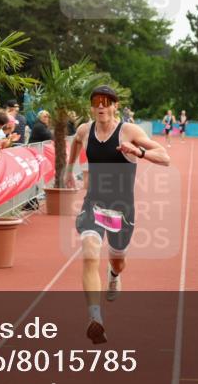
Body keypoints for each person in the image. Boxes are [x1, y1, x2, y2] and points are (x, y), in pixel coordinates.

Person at [65, 85, 170, 344]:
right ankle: (95, 318)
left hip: (122, 210)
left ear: (115, 106)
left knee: (117, 260)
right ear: (91, 107)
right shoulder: (84, 130)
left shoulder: (129, 131)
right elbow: (76, 143)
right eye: (96, 102)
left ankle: (114, 276)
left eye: (106, 102)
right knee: (90, 254)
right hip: (94, 205)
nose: (101, 106)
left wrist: (139, 152)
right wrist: (68, 169)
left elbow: (165, 157)